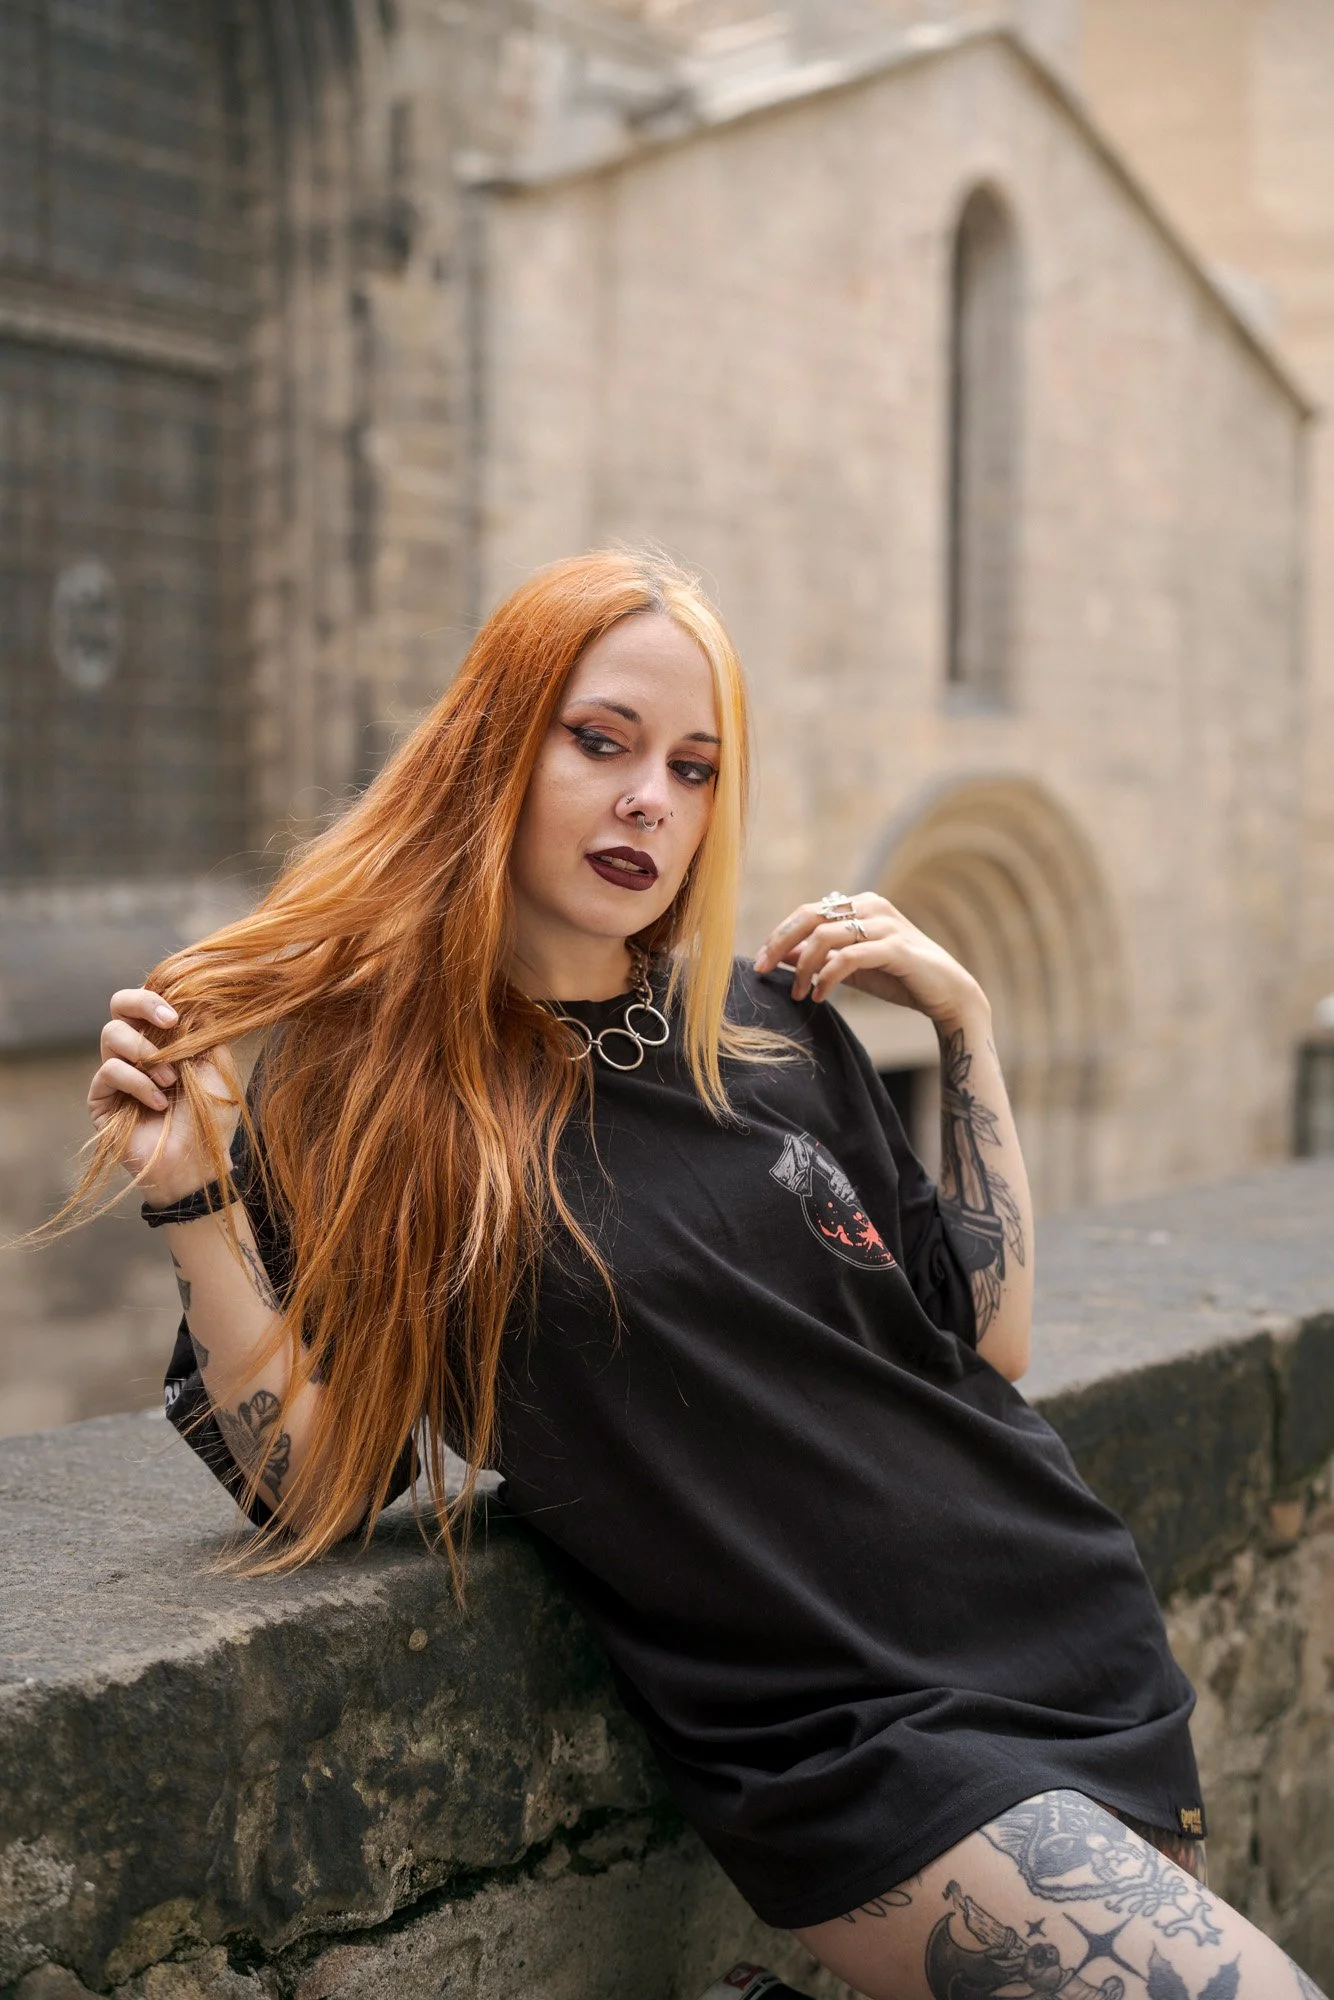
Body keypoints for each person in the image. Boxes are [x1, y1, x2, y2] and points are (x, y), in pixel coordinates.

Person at [83, 551, 1325, 2000]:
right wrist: (191, 1194)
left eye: (692, 768)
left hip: (1062, 1637)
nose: (646, 802)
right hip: (856, 1737)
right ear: (494, 749)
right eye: (599, 743)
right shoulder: (376, 1105)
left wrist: (970, 1026)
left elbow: (983, 1341)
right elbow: (313, 1486)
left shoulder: (770, 1034)